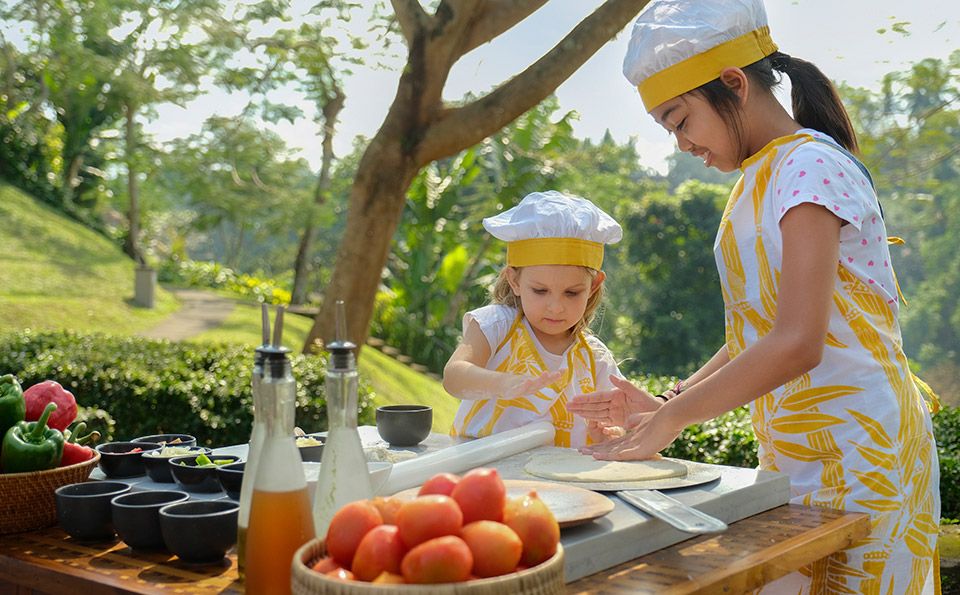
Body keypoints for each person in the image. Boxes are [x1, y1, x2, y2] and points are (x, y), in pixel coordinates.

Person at [567, 0, 942, 593]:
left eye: (680, 119)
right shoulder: (756, 180)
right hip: (794, 451)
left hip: (864, 451)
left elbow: (797, 343)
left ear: (734, 85)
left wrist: (672, 420)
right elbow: (755, 333)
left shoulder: (810, 167)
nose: (681, 143)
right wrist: (668, 399)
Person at [443, 190, 624, 449]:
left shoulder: (595, 358)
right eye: (540, 291)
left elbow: (615, 419)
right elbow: (454, 377)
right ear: (514, 280)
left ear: (594, 286)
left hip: (560, 485)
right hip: (487, 477)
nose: (556, 307)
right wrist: (502, 383)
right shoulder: (496, 326)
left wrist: (607, 434)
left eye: (572, 293)